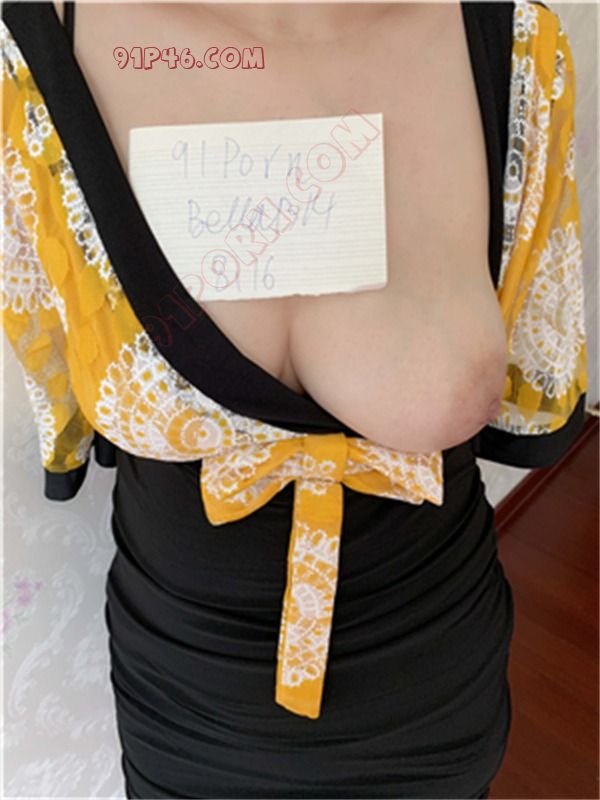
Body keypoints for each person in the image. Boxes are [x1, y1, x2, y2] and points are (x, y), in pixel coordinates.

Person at [0, 1, 587, 798]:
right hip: (183, 698)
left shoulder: (515, 45)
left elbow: (529, 374)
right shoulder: (33, 55)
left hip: (426, 685)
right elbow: (52, 341)